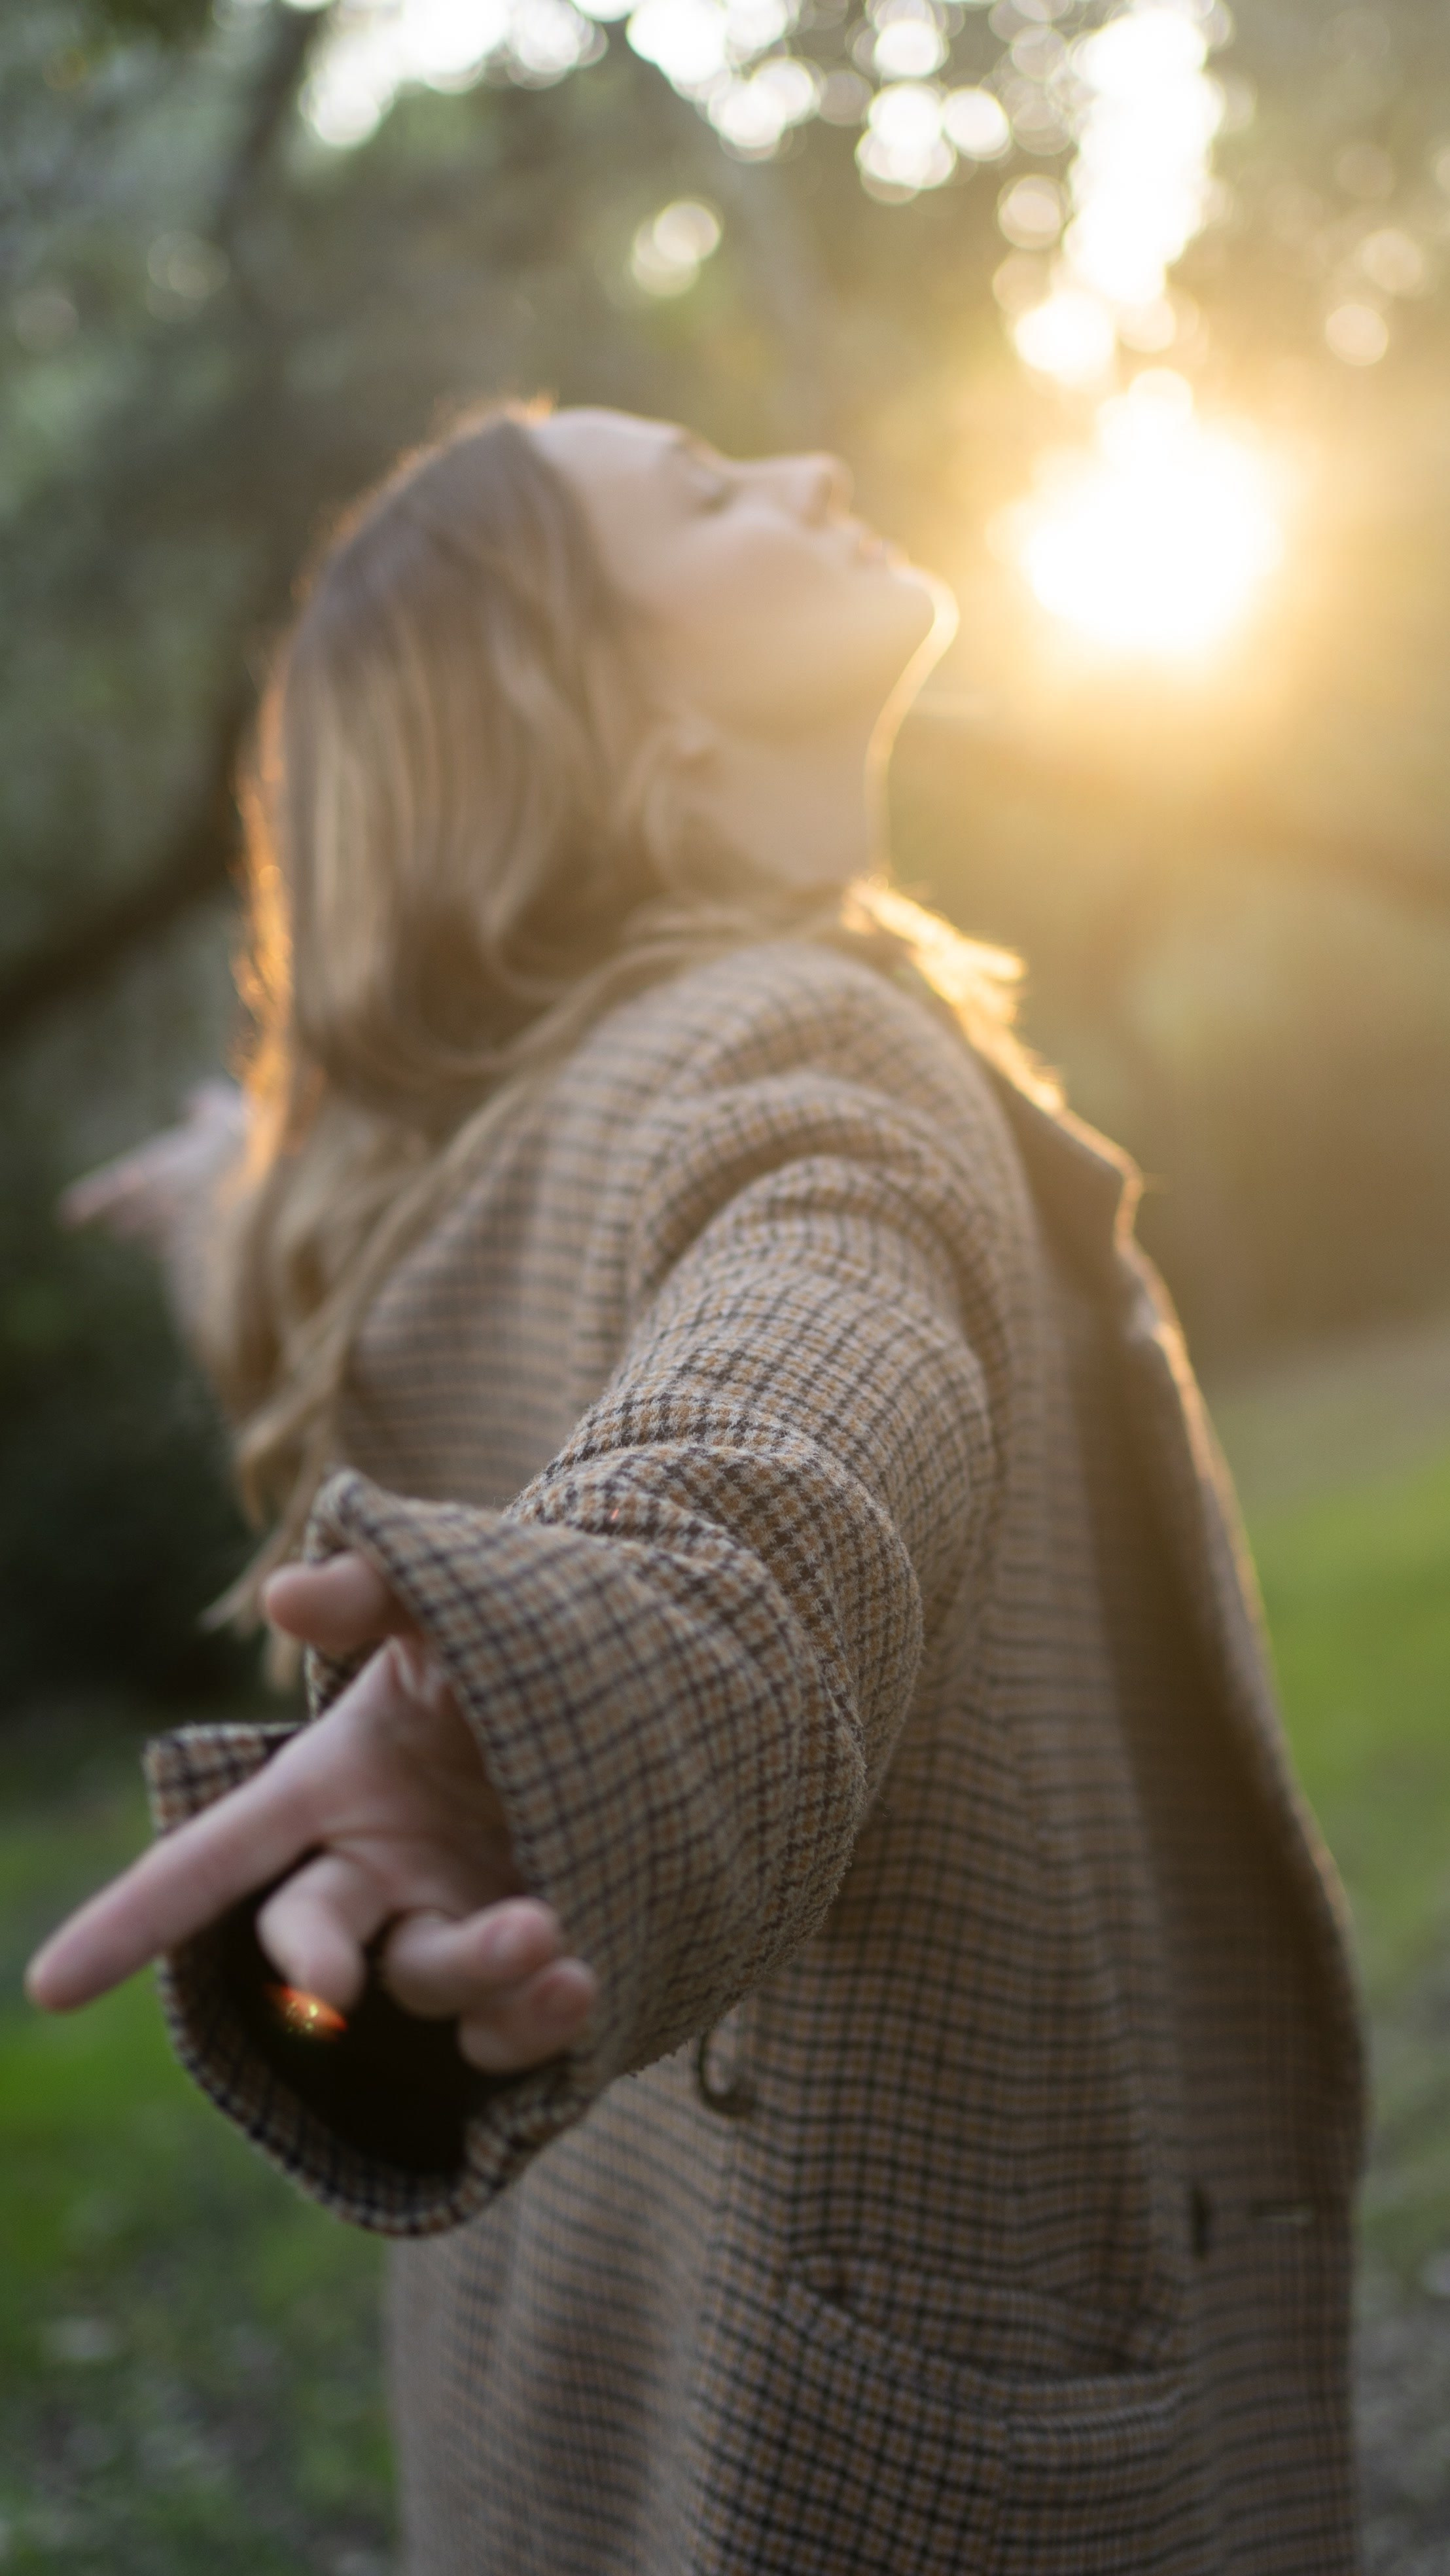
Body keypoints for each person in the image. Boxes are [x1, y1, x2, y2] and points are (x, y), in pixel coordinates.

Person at [27, 402, 1364, 2575]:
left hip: (584, 2418)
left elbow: (315, 1239)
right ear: (604, 717)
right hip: (895, 2461)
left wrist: (219, 1185)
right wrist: (606, 1681)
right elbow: (798, 1385)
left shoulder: (404, 1187)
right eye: (712, 499)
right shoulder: (802, 1046)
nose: (815, 475)